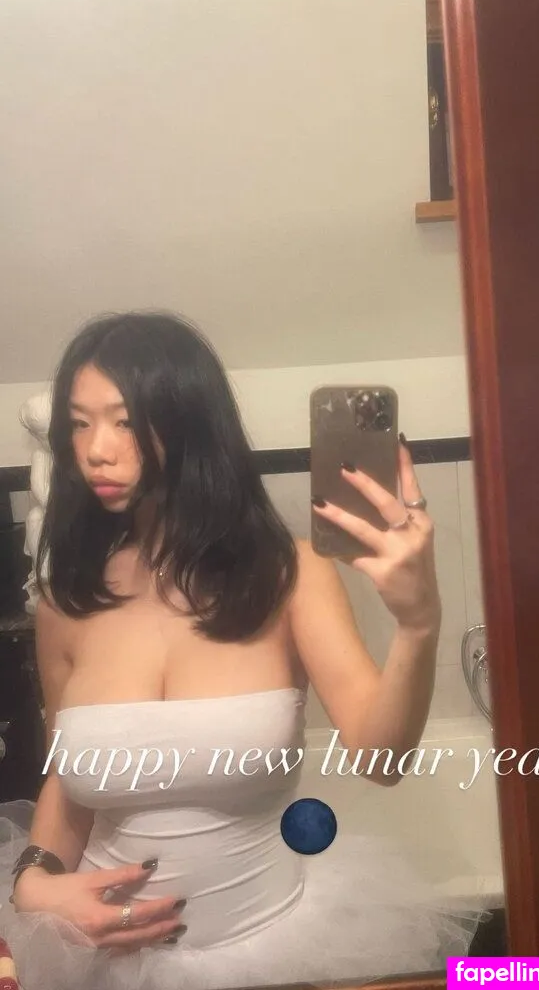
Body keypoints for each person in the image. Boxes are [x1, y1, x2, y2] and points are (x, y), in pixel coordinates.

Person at [0, 312, 485, 990]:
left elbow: (382, 763)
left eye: (123, 421)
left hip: (276, 943)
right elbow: (69, 779)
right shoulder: (66, 602)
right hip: (102, 962)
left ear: (189, 422)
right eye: (78, 424)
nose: (95, 450)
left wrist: (418, 622)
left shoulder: (291, 574)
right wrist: (34, 883)